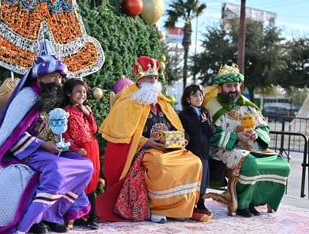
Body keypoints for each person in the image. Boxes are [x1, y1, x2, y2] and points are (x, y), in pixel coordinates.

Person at [0, 39, 93, 234]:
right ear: (39, 78)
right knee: (55, 169)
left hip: (50, 150)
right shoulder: (27, 97)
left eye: (60, 78)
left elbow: (57, 129)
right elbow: (12, 135)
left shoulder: (53, 98)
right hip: (25, 151)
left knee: (85, 166)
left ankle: (53, 214)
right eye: (53, 77)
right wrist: (44, 145)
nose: (58, 82)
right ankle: (33, 221)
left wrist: (68, 146)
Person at [97, 55, 208, 224]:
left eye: (155, 77)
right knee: (161, 165)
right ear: (140, 80)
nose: (154, 80)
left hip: (170, 149)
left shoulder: (162, 102)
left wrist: (182, 139)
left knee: (194, 162)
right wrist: (146, 142)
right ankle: (157, 209)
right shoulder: (127, 103)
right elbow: (124, 135)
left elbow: (176, 127)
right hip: (145, 151)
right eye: (150, 77)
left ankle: (181, 208)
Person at [203, 63, 291, 218]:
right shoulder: (212, 108)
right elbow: (210, 135)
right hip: (224, 150)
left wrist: (257, 134)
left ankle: (255, 200)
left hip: (253, 147)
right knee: (249, 163)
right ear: (220, 88)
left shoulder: (248, 106)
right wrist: (236, 137)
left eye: (235, 85)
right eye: (229, 86)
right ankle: (242, 205)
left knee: (281, 165)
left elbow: (264, 126)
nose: (233, 89)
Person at [62, 78, 100, 229]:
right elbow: (64, 135)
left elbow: (94, 129)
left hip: (92, 148)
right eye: (78, 91)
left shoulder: (85, 110)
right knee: (81, 182)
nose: (82, 95)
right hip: (79, 151)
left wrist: (88, 113)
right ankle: (80, 215)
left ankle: (93, 216)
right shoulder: (65, 112)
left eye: (84, 92)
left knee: (92, 182)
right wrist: (74, 149)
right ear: (68, 93)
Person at [179, 84, 216, 218]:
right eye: (195, 95)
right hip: (191, 151)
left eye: (200, 95)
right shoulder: (184, 114)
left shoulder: (205, 112)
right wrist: (186, 139)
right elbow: (184, 131)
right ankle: (189, 203)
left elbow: (212, 131)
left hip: (204, 151)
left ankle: (201, 202)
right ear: (188, 99)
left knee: (203, 178)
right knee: (191, 177)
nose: (199, 98)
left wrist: (205, 122)